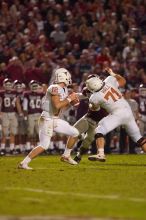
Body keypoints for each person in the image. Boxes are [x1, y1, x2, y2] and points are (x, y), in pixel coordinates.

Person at [18, 68, 79, 169]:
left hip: (54, 119)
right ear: (64, 77)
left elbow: (61, 108)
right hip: (47, 119)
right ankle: (23, 163)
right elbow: (57, 106)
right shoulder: (54, 87)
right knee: (44, 145)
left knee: (75, 133)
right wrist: (69, 99)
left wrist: (71, 104)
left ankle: (66, 155)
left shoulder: (64, 89)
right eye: (68, 76)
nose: (69, 78)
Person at [85, 67, 146, 162]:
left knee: (99, 130)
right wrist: (112, 73)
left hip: (117, 115)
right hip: (127, 111)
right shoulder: (109, 80)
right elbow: (123, 81)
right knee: (139, 138)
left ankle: (101, 154)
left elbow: (96, 109)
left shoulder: (94, 97)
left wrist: (91, 105)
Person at [66, 85, 108, 164]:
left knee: (87, 141)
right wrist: (72, 97)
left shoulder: (104, 93)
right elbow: (81, 96)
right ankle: (68, 152)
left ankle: (78, 156)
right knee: (73, 131)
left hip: (97, 123)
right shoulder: (88, 90)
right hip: (88, 118)